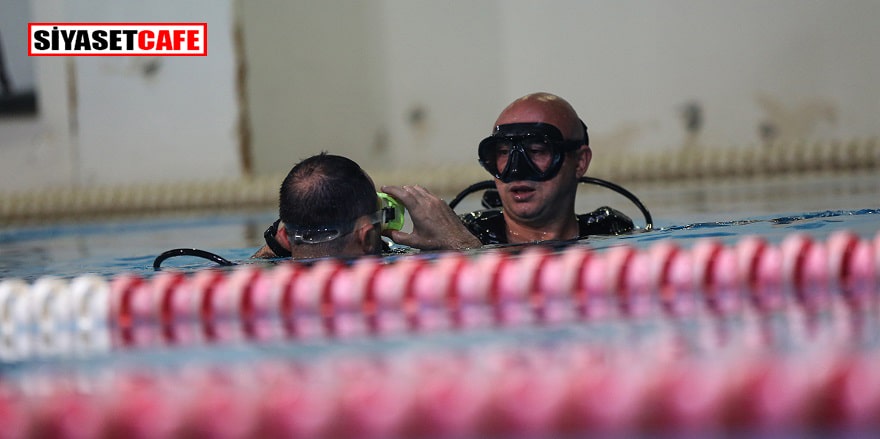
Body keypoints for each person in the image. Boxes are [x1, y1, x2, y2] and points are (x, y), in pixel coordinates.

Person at [383, 92, 633, 247]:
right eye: (503, 153)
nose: (517, 170)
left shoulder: (609, 229)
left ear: (579, 163)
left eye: (536, 151)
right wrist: (461, 245)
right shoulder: (472, 232)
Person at [252, 153, 388, 259]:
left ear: (285, 238)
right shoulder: (388, 284)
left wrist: (273, 247)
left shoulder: (264, 286)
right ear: (367, 236)